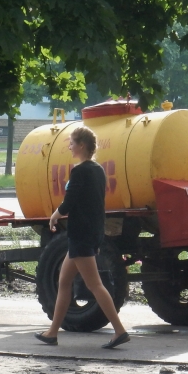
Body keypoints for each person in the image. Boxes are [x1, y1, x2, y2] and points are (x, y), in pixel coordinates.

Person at [35, 125, 130, 349]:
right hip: (91, 232)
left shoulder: (80, 171)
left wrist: (55, 216)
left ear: (82, 145)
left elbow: (70, 201)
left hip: (80, 235)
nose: (69, 146)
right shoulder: (98, 170)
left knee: (95, 284)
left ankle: (119, 330)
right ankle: (52, 332)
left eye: (72, 143)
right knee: (64, 282)